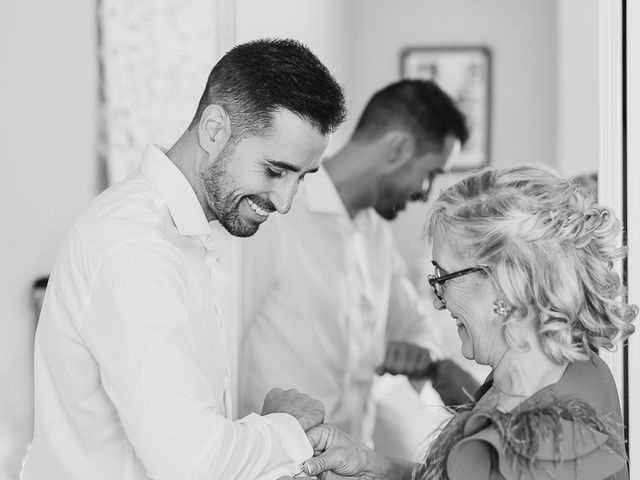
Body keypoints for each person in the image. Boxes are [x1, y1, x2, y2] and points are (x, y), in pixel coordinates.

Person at [21, 38, 346, 480]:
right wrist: (286, 427)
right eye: (275, 171)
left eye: (301, 178)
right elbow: (192, 463)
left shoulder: (186, 235)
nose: (286, 201)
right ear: (214, 130)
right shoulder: (136, 246)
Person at [301, 165, 636, 480]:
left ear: (507, 285)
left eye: (444, 277)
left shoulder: (540, 439)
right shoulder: (569, 371)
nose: (437, 299)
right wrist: (372, 467)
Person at [239, 79, 477, 444]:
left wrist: (420, 353)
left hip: (353, 461)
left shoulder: (375, 237)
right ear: (398, 148)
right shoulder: (277, 217)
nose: (425, 192)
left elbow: (417, 325)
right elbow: (222, 344)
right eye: (430, 173)